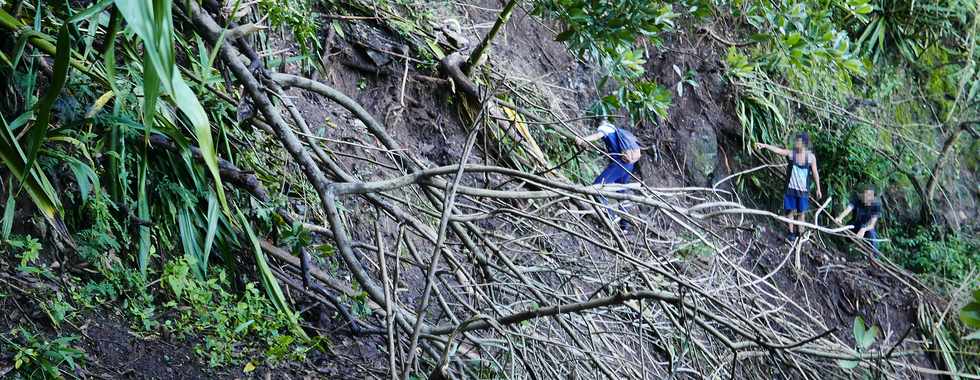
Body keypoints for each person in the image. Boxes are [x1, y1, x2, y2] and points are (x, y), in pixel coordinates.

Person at [755, 133, 823, 241]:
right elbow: (779, 151)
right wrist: (765, 145)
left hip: (803, 190)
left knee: (801, 212)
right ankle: (791, 233)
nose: (796, 143)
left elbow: (815, 173)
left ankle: (800, 233)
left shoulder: (811, 157)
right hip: (790, 188)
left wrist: (818, 189)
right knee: (789, 211)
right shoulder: (792, 154)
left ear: (804, 143)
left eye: (798, 141)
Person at [576, 120, 642, 229]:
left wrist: (583, 139)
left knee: (598, 185)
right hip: (629, 165)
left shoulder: (605, 128)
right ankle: (624, 226)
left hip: (620, 164)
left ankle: (610, 218)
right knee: (621, 193)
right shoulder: (617, 131)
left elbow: (598, 135)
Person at [834, 185, 882, 255]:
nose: (867, 198)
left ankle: (874, 257)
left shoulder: (876, 205)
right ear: (862, 195)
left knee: (872, 236)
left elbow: (872, 225)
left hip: (867, 228)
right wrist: (840, 218)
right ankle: (844, 249)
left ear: (873, 197)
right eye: (866, 195)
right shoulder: (857, 199)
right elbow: (848, 209)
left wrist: (863, 229)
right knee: (846, 237)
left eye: (870, 196)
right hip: (855, 224)